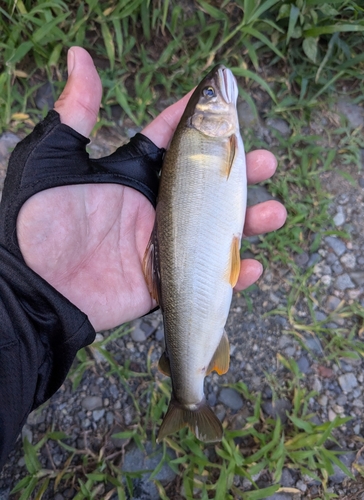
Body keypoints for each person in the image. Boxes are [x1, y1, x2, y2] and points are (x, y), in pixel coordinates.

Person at [0, 47, 287, 470]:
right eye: (209, 97)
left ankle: (188, 390)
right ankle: (188, 397)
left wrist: (26, 296)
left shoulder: (220, 140)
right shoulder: (220, 141)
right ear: (201, 123)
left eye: (206, 97)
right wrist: (26, 298)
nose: (217, 90)